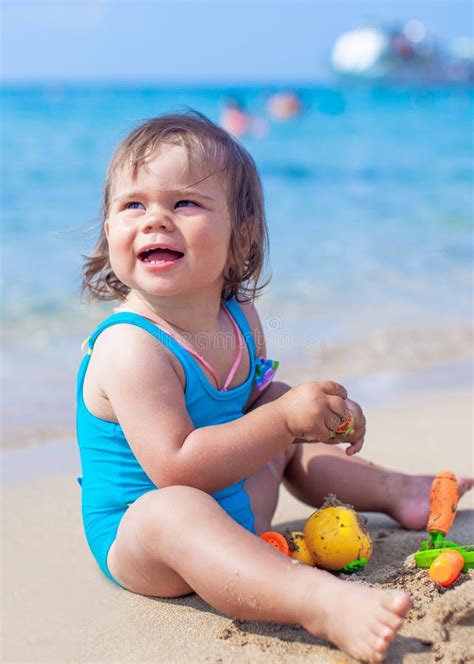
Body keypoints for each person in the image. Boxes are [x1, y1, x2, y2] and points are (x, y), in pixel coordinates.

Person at [77, 111, 472, 663]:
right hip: (152, 545)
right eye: (132, 205)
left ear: (240, 237)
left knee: (278, 394)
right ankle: (317, 601)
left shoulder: (240, 317)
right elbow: (178, 470)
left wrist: (314, 416)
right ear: (109, 230)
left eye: (184, 203)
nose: (154, 220)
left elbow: (256, 419)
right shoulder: (130, 347)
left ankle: (396, 491)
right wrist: (282, 420)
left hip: (240, 510)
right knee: (172, 507)